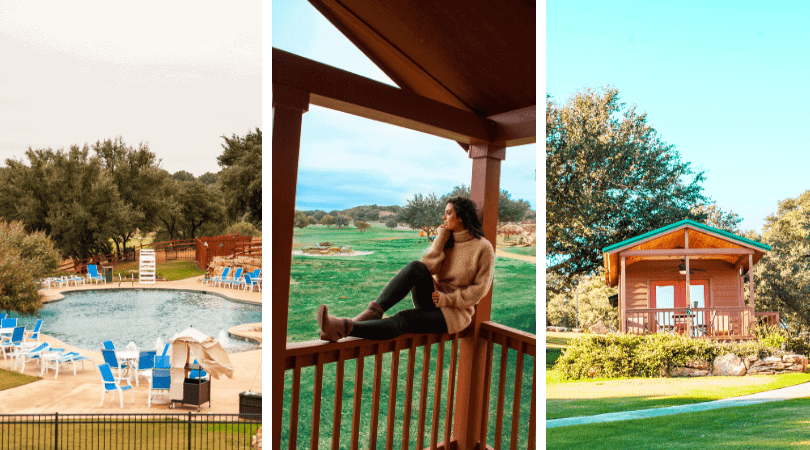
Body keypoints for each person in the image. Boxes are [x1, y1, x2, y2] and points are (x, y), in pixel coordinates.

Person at [317, 196, 495, 341]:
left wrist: (447, 300)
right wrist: (440, 239)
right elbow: (428, 267)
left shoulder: (483, 248)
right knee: (416, 266)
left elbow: (480, 290)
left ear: (461, 217)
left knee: (405, 318)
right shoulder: (447, 240)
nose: (443, 218)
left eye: (448, 213)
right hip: (433, 298)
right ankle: (373, 313)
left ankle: (342, 327)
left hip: (454, 313)